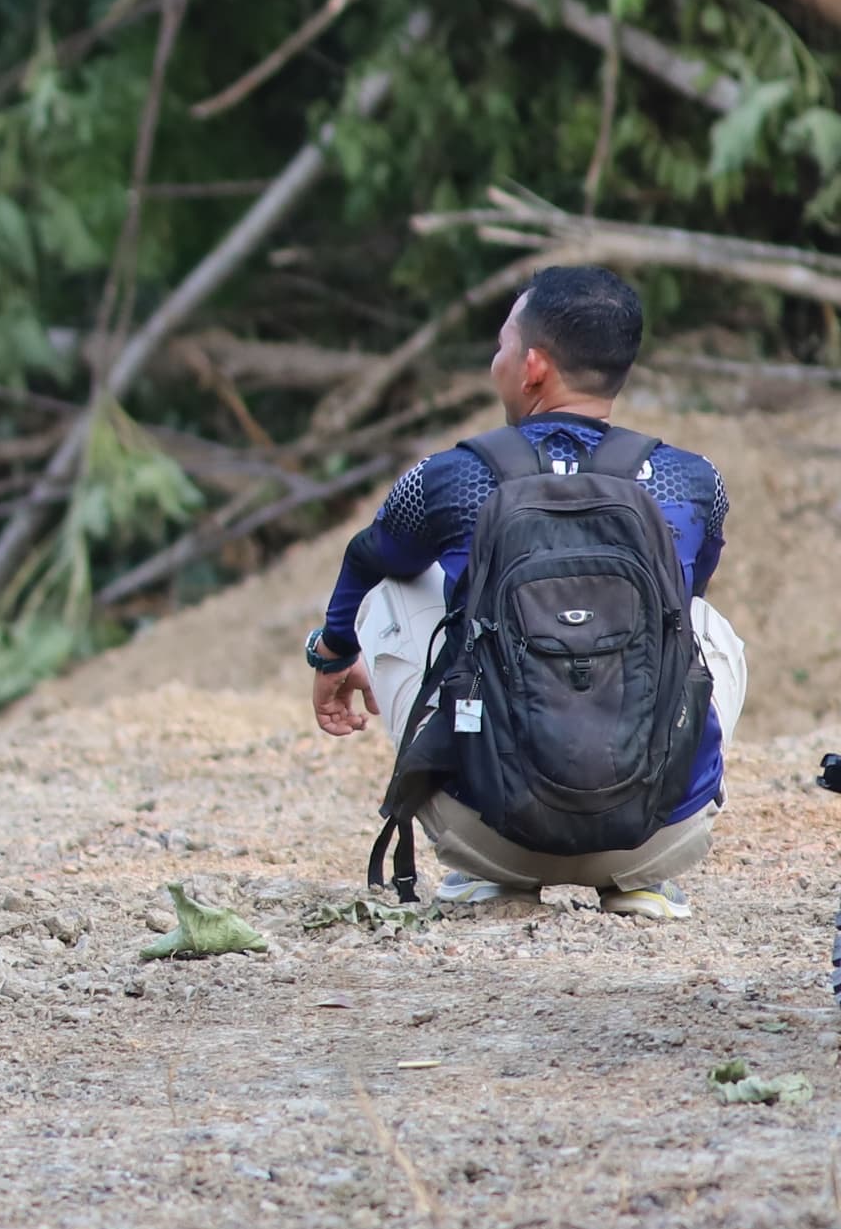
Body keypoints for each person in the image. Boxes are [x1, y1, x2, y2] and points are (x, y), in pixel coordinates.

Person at [310, 265, 741, 916]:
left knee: (393, 587)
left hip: (489, 833)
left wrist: (333, 651)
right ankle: (641, 881)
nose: (497, 361)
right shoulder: (691, 481)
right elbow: (687, 610)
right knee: (703, 623)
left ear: (533, 366)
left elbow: (363, 557)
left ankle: (489, 878)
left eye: (502, 345)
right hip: (651, 832)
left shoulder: (454, 477)